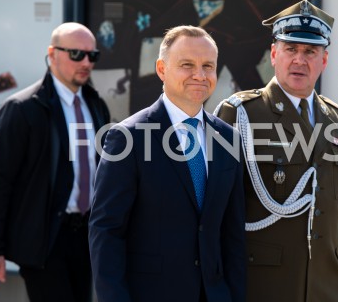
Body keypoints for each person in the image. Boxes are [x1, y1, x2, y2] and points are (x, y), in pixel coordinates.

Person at [215, 0, 338, 302]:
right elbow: (216, 216)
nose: (300, 60)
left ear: (324, 60)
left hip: (328, 289)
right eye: (291, 49)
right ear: (273, 54)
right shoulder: (240, 114)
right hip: (262, 288)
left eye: (310, 52)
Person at [89, 25, 246, 302]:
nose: (200, 75)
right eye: (187, 65)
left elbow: (232, 234)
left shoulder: (228, 138)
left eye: (208, 66)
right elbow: (107, 231)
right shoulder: (127, 137)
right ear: (161, 69)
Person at [0, 22, 110, 302]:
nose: (86, 62)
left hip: (87, 237)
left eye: (92, 55)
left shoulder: (96, 106)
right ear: (52, 53)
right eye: (77, 54)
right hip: (45, 241)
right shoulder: (23, 108)